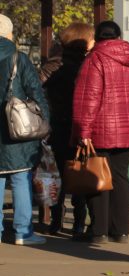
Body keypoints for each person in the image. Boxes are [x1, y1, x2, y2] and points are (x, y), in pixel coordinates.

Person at [72, 20, 129, 243]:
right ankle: (120, 230)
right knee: (121, 178)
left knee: (98, 178)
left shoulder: (94, 59)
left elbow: (88, 99)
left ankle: (99, 231)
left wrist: (83, 132)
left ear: (97, 37)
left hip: (100, 130)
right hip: (128, 130)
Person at [0, 14, 49, 247]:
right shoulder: (19, 58)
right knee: (20, 177)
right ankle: (23, 231)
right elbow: (36, 93)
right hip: (17, 126)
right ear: (9, 34)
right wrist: (45, 122)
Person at [40, 22, 92, 237]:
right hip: (79, 127)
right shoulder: (87, 66)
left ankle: (55, 220)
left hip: (55, 126)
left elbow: (37, 92)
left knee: (56, 175)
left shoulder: (51, 67)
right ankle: (79, 222)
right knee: (79, 175)